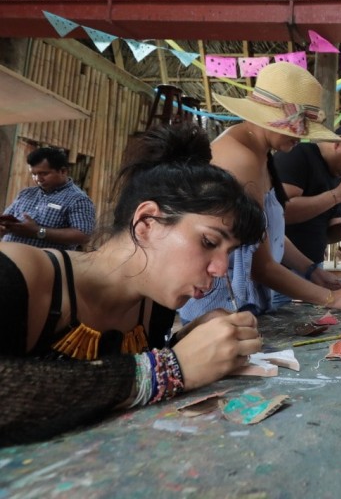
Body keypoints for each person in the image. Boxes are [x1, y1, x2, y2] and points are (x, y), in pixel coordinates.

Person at [0, 123, 265, 444]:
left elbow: (105, 390)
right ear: (146, 223)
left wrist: (189, 345)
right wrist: (169, 368)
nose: (222, 269)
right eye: (209, 241)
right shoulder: (18, 273)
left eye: (230, 252)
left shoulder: (153, 307)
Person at [178, 63, 341, 323]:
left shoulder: (262, 156)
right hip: (218, 308)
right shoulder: (240, 160)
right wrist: (331, 298)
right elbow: (260, 266)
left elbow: (270, 234)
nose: (302, 136)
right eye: (298, 128)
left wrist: (311, 271)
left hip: (243, 306)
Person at [274, 120, 341, 277]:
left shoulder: (338, 177)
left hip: (314, 267)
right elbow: (281, 211)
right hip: (280, 268)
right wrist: (337, 195)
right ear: (339, 142)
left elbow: (329, 234)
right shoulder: (298, 155)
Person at [1, 147, 95, 250]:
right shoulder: (26, 193)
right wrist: (5, 227)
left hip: (41, 264)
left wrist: (38, 231)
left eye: (44, 174)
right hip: (7, 257)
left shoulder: (78, 199)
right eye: (34, 174)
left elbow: (83, 236)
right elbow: (6, 220)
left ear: (63, 171)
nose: (37, 179)